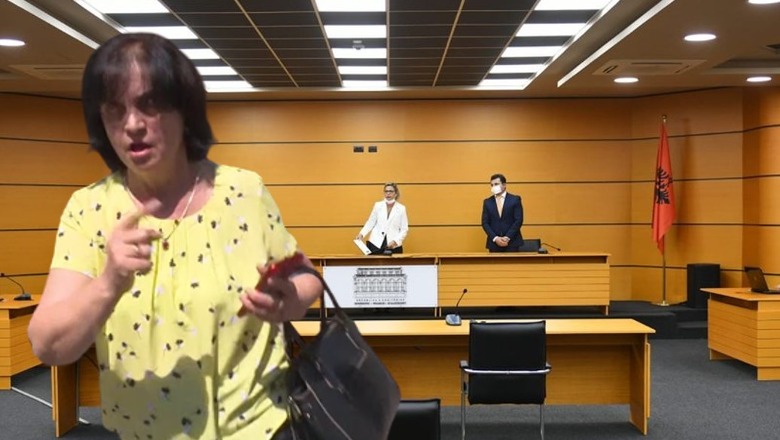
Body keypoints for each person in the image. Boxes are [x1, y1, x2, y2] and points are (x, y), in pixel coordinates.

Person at [27, 33, 322, 440]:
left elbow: (306, 275)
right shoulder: (90, 209)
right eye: (115, 109)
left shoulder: (244, 191)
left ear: (185, 109)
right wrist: (109, 282)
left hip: (264, 427)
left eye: (149, 104)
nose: (132, 124)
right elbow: (48, 345)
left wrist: (292, 299)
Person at [356, 182, 409, 254]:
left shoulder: (401, 208)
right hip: (375, 243)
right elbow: (370, 222)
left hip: (393, 245)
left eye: (391, 191)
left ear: (396, 193)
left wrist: (395, 241)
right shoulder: (377, 205)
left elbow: (404, 229)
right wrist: (362, 234)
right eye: (386, 191)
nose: (388, 193)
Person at [481, 173, 524, 252]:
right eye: (492, 185)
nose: (493, 187)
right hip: (494, 244)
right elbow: (485, 223)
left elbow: (518, 220)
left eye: (496, 184)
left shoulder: (515, 199)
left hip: (512, 242)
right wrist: (496, 238)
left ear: (504, 185)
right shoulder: (487, 202)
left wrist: (507, 238)